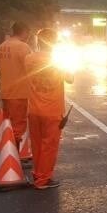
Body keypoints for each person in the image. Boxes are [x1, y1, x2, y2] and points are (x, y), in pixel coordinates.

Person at [25, 28, 72, 190]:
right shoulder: (58, 61)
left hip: (33, 109)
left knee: (37, 144)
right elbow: (70, 79)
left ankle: (37, 174)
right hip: (52, 111)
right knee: (49, 146)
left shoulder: (29, 59)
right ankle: (43, 180)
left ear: (38, 42)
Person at [0, 22, 32, 147]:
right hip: (19, 92)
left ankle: (7, 151)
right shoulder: (23, 47)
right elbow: (30, 67)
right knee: (18, 126)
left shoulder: (2, 46)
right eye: (28, 33)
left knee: (8, 124)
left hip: (5, 91)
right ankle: (13, 154)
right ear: (24, 31)